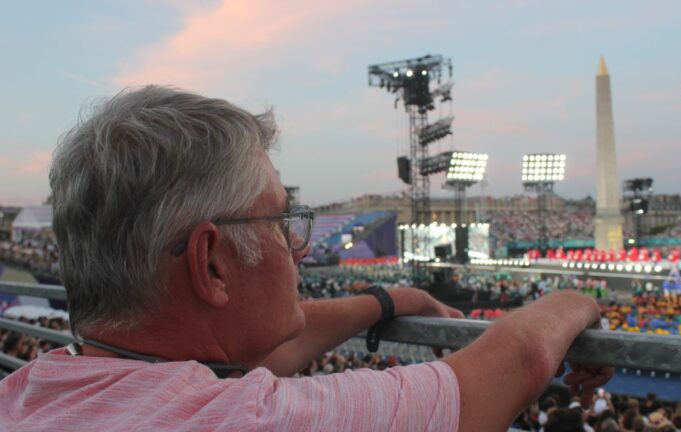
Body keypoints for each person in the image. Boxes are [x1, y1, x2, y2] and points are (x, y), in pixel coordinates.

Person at [0, 86, 611, 431]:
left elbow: (260, 349)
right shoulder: (243, 422)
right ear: (211, 263)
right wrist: (580, 299)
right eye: (281, 221)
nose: (299, 245)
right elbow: (522, 357)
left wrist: (387, 301)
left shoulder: (29, 391)